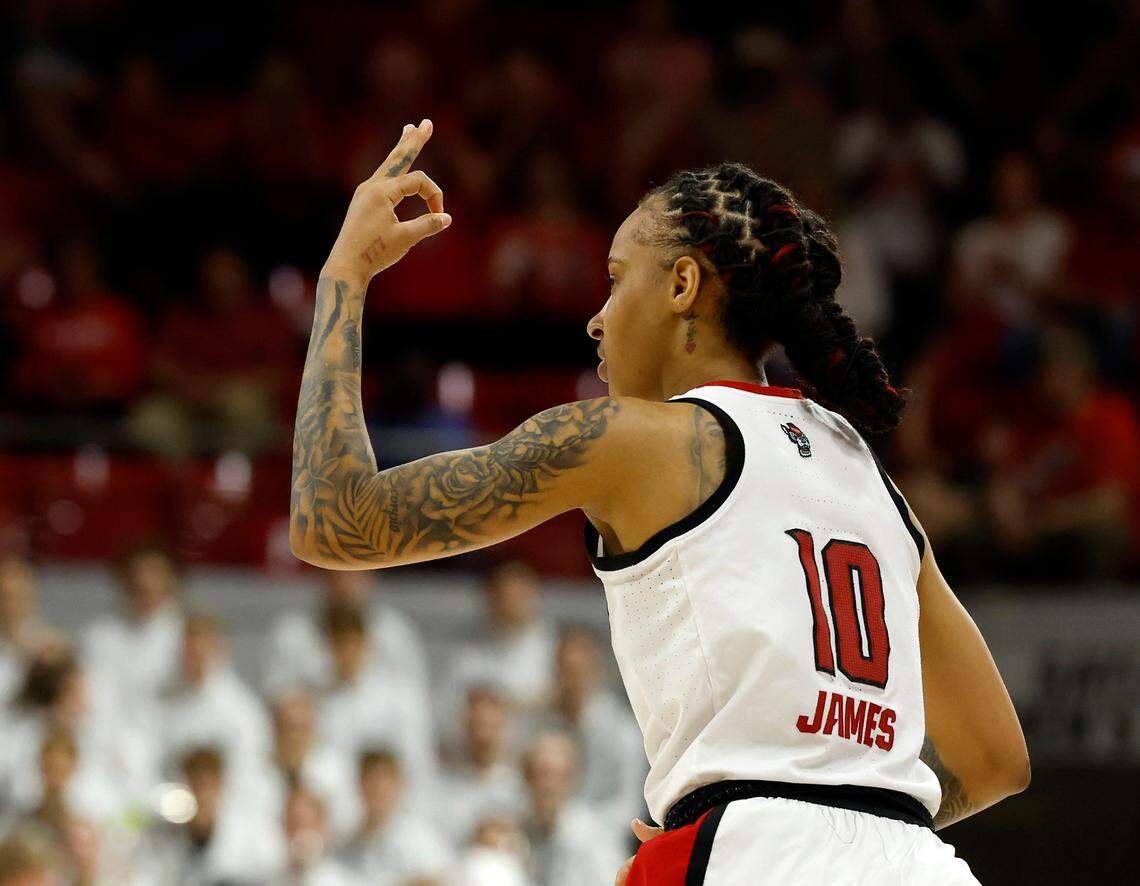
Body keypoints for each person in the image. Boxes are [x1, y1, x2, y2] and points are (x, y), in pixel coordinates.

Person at [289, 120, 1029, 883]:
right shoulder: (863, 468)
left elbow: (333, 522)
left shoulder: (632, 437)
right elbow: (996, 759)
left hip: (754, 857)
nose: (597, 315)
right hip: (922, 862)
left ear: (681, 286)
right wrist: (843, 809)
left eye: (615, 278)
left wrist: (343, 277)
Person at [262, 569, 428, 698]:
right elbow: (278, 699)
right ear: (321, 575)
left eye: (353, 574)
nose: (344, 583)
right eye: (336, 574)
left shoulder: (396, 633)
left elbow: (415, 700)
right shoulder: (291, 632)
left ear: (370, 576)